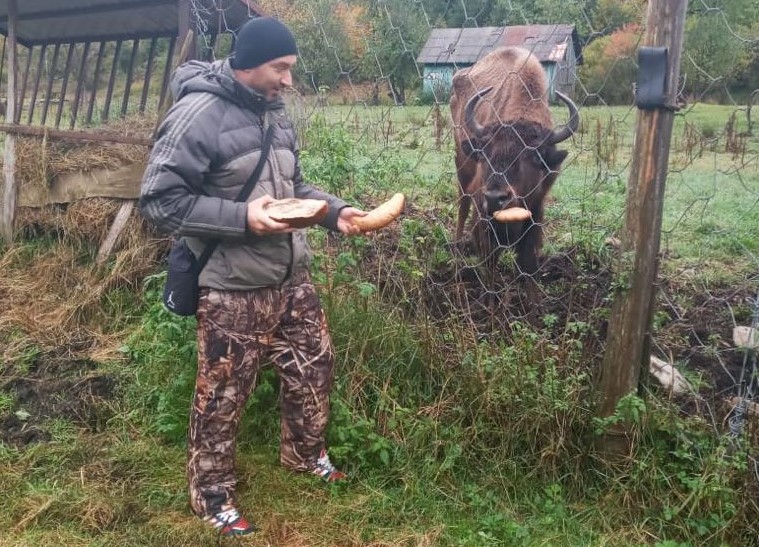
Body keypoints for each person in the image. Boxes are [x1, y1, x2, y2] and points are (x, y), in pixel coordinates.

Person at [139, 16, 366, 538]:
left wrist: (335, 212)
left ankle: (304, 455)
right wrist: (241, 220)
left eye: (291, 69)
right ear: (247, 65)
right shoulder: (199, 113)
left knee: (315, 363)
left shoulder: (275, 112)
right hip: (232, 283)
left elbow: (293, 184)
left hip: (290, 275)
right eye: (280, 68)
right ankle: (212, 494)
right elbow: (159, 200)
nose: (288, 80)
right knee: (224, 392)